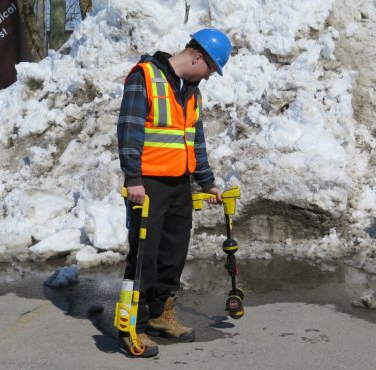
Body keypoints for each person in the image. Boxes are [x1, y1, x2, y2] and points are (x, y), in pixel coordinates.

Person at [116, 28, 233, 358]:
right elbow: (129, 127)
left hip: (179, 184)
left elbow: (195, 141)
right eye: (210, 69)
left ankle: (159, 315)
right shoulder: (146, 76)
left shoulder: (192, 92)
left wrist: (207, 181)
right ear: (197, 57)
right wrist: (133, 177)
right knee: (144, 257)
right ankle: (131, 327)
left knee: (172, 254)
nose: (209, 77)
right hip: (148, 185)